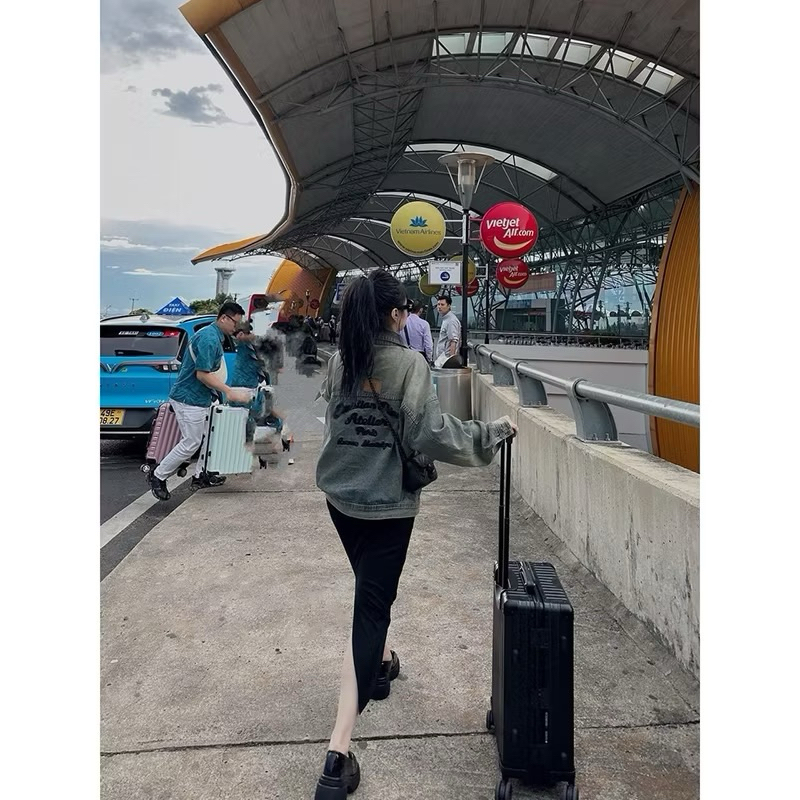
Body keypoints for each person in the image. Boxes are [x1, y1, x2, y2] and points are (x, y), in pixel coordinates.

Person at [313, 269, 516, 798]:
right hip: (387, 506)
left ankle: (380, 663)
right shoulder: (409, 364)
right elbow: (430, 432)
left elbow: (334, 423)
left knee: (371, 590)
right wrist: (489, 435)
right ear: (396, 314)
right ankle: (337, 753)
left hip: (340, 498)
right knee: (370, 608)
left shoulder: (340, 361)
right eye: (403, 310)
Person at [147, 302, 251, 501]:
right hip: (189, 399)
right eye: (235, 323)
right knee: (191, 442)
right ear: (224, 318)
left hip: (199, 397)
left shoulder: (214, 336)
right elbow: (202, 374)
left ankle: (201, 475)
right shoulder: (209, 339)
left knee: (210, 435)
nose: (236, 327)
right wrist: (229, 392)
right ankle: (158, 475)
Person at [435, 294, 461, 360]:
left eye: (442, 304)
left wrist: (451, 360)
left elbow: (453, 341)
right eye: (438, 304)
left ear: (449, 306)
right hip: (442, 358)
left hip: (446, 358)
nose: (439, 307)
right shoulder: (446, 319)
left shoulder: (451, 321)